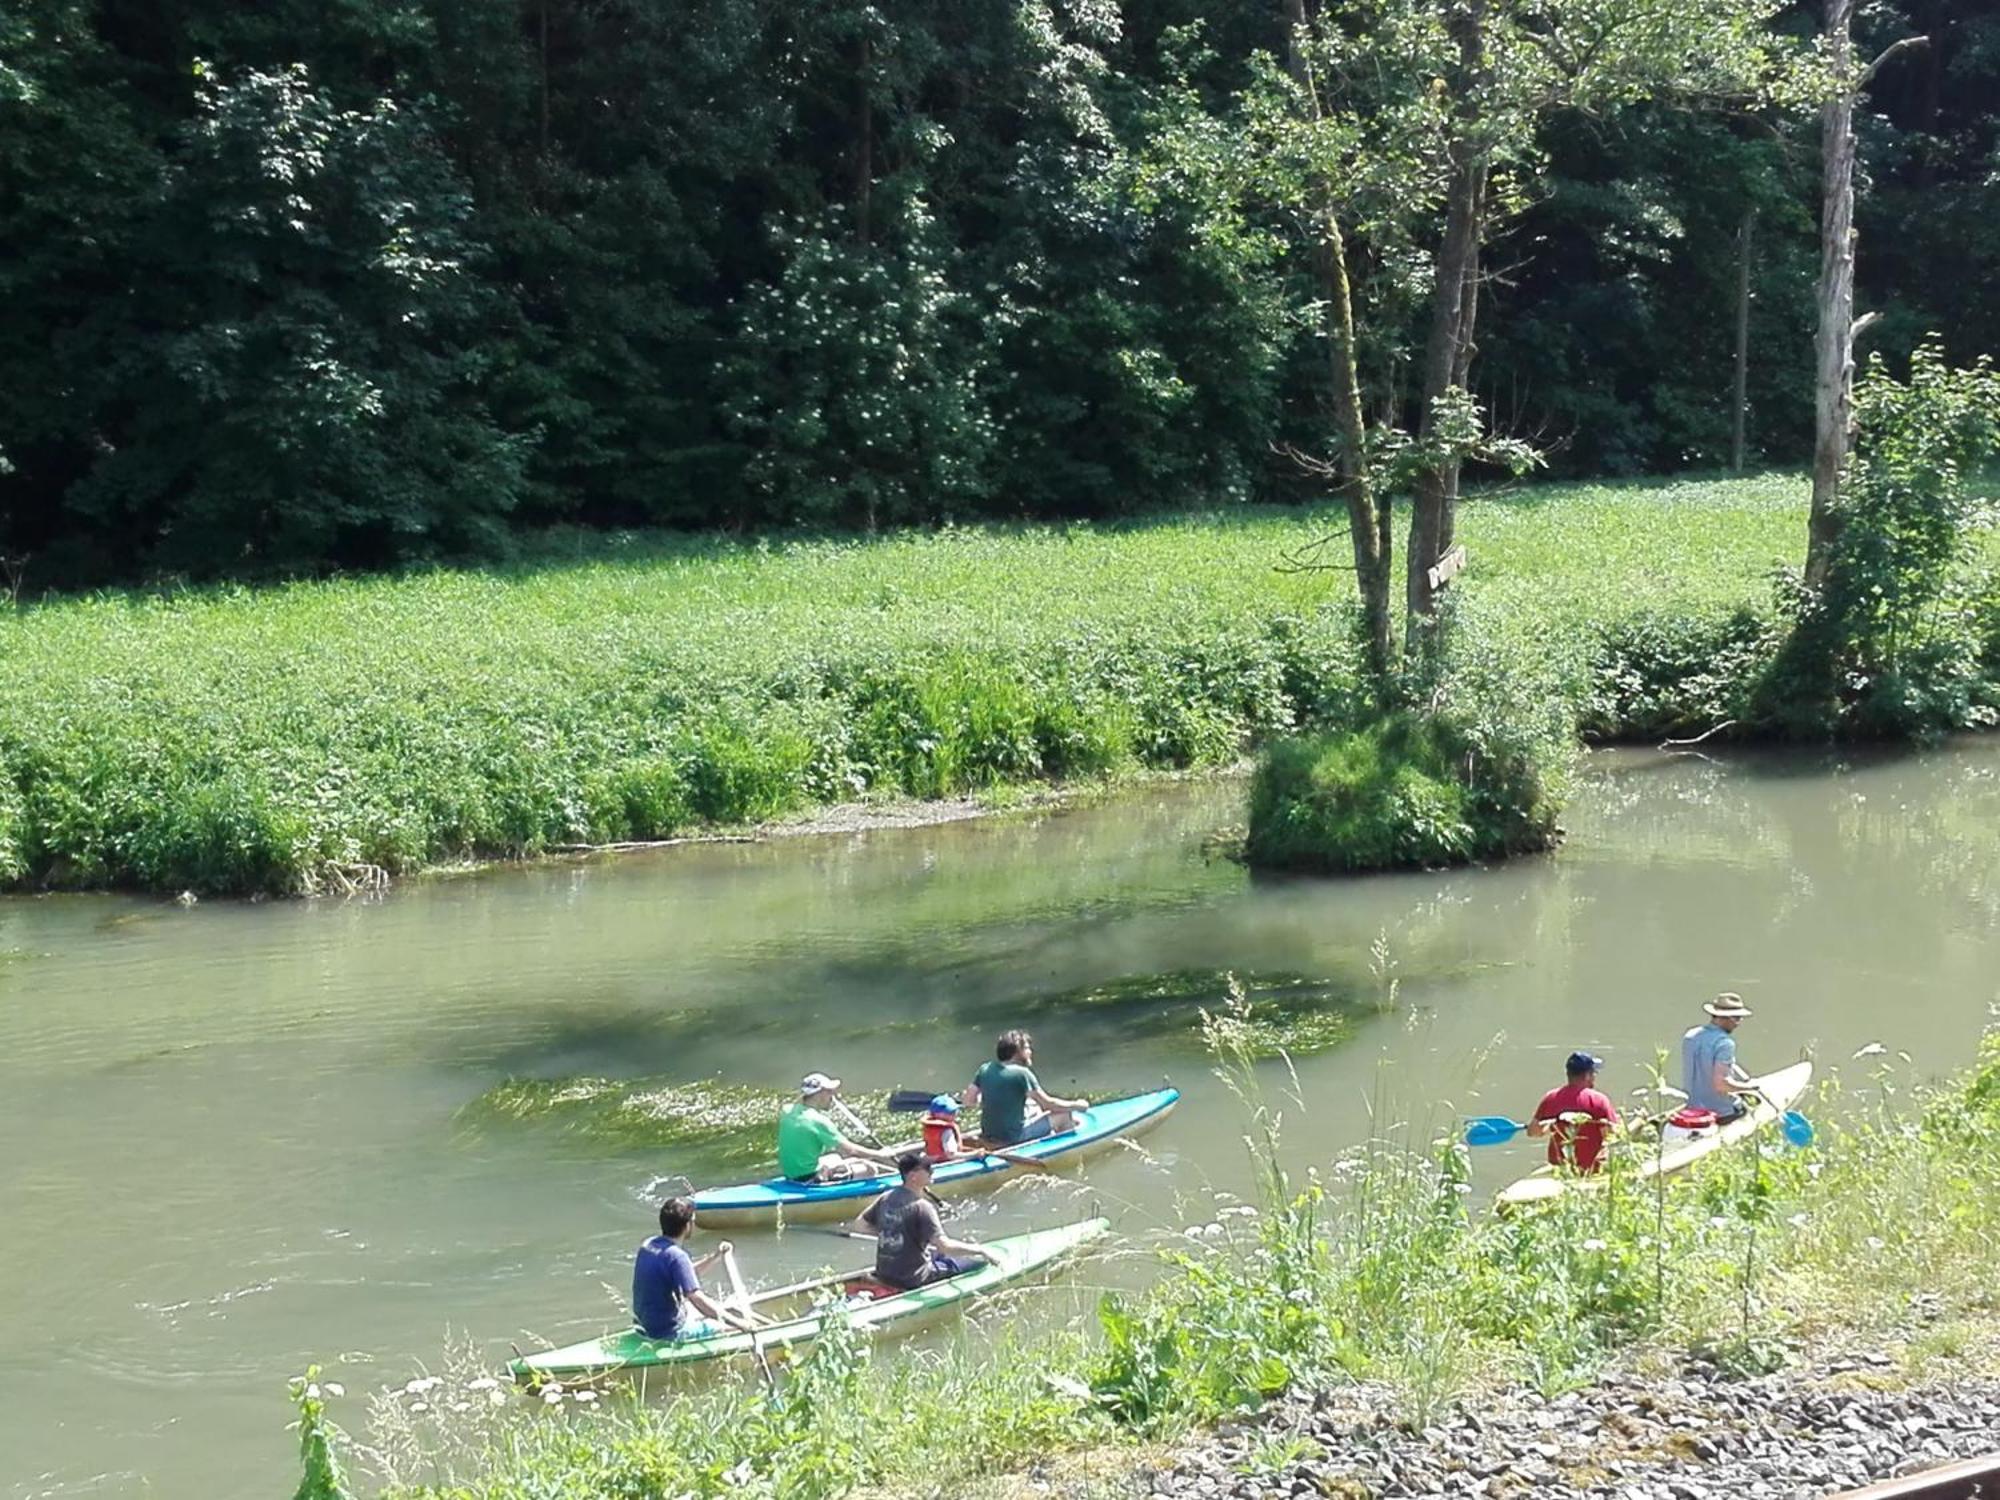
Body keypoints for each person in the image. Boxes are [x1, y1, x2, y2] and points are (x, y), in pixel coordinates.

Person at [849, 1151, 988, 1290]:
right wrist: (979, 1250)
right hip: (913, 1278)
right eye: (927, 1169)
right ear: (913, 1176)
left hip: (884, 1274)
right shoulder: (922, 1207)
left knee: (937, 1254)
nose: (931, 1171)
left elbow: (860, 1224)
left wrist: (890, 1233)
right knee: (979, 1263)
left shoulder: (886, 1197)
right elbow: (945, 1246)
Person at [632, 1196, 755, 1342]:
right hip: (666, 1332)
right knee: (728, 1327)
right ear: (687, 1226)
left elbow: (686, 1274)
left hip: (643, 1325)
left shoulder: (649, 1244)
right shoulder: (677, 1256)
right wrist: (740, 1324)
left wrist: (715, 1256)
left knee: (696, 1308)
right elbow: (696, 1298)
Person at [963, 1030, 1087, 1146]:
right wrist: (1076, 1105)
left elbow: (968, 1101)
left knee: (1034, 1108)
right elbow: (1048, 1104)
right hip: (1014, 1137)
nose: (1030, 1052)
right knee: (1064, 1114)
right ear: (1018, 1051)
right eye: (1027, 1048)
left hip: (989, 1134)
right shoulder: (1022, 1074)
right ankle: (1065, 1149)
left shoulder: (985, 1069)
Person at [778, 1071, 898, 1183]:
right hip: (809, 1177)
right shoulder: (819, 1121)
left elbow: (800, 1102)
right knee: (869, 1168)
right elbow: (850, 1151)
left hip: (792, 1175)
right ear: (820, 1094)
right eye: (830, 1091)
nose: (833, 1096)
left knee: (834, 1157)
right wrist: (880, 1154)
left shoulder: (787, 1110)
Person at [1526, 1050, 1621, 1173]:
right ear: (1587, 1075)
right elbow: (1613, 1135)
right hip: (1592, 1169)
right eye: (1594, 1073)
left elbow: (1533, 1132)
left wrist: (1552, 1126)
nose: (1594, 1077)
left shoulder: (1551, 1098)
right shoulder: (1599, 1100)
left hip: (1560, 1170)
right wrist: (1620, 1122)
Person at [1680, 993, 1757, 1121]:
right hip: (1719, 1113)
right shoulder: (1725, 1043)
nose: (1739, 1023)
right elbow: (1721, 1084)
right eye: (1737, 1018)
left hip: (1691, 1106)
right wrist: (1750, 1088)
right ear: (1726, 1018)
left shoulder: (1690, 1035)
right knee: (1749, 1104)